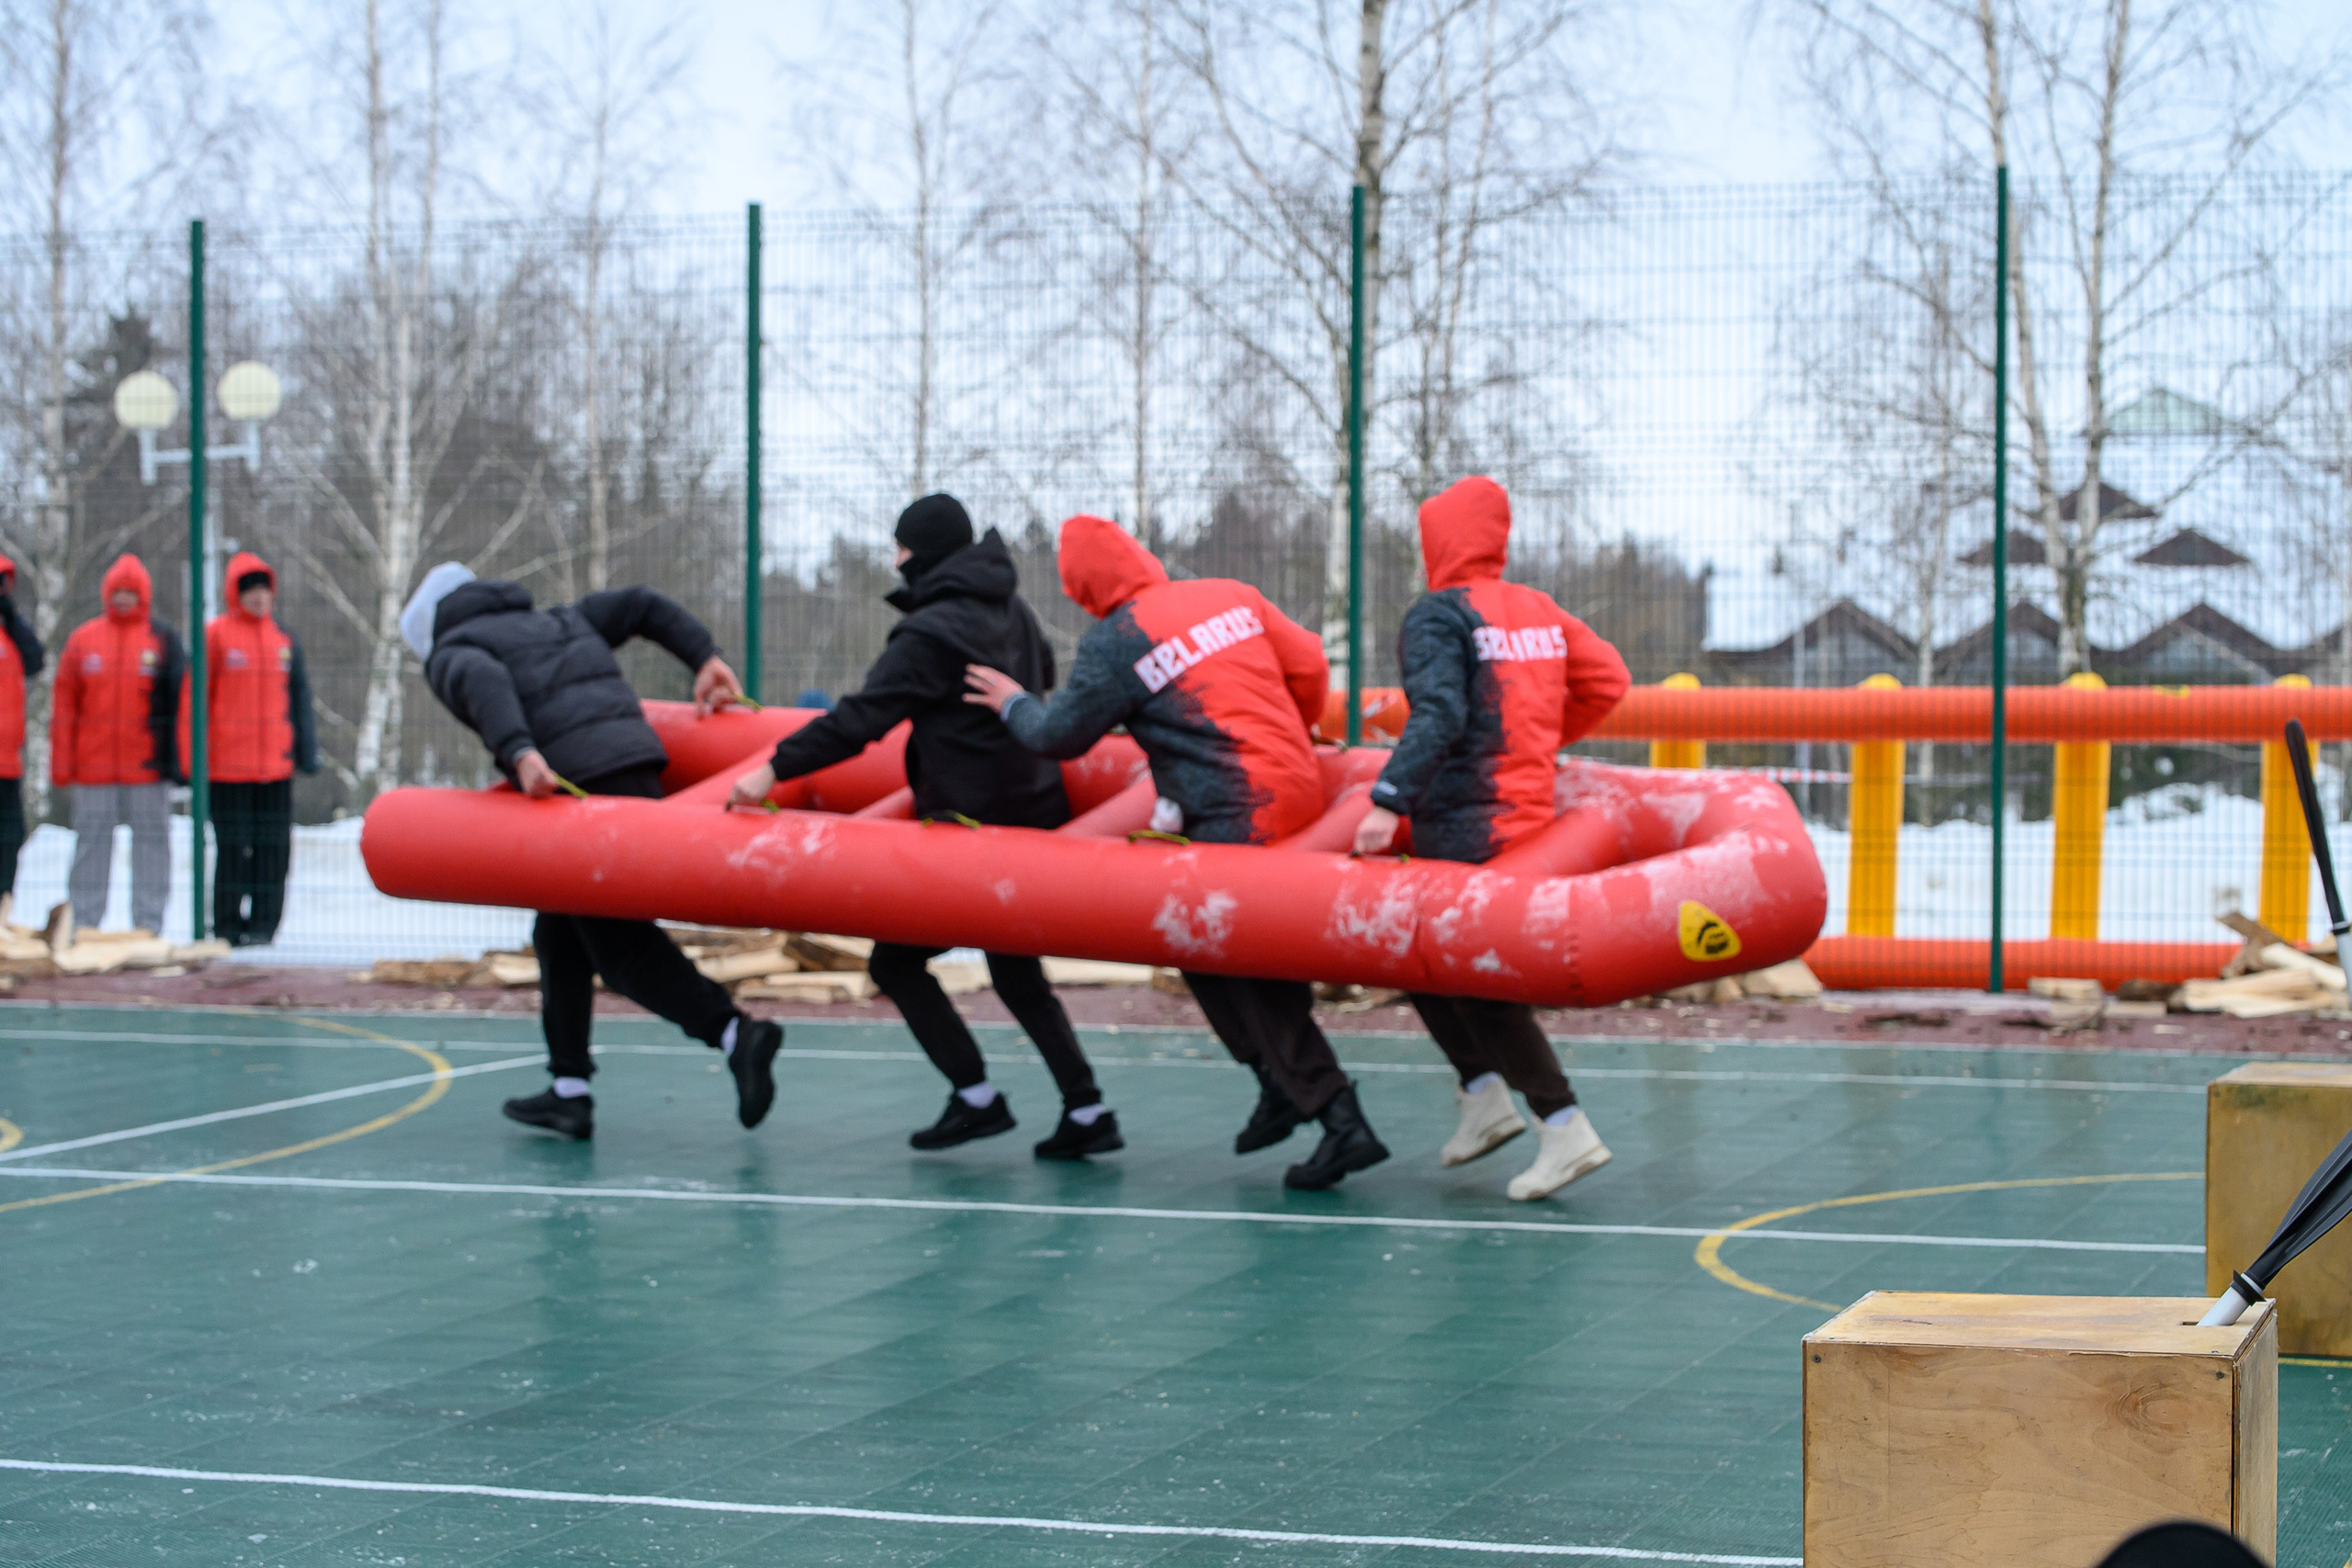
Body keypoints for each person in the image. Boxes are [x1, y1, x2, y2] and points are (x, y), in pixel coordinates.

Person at [964, 513, 1390, 1190]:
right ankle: (1278, 1085)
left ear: (1081, 587)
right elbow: (1309, 659)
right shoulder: (1229, 595)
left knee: (1252, 963)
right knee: (1196, 945)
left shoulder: (1117, 639)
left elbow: (1060, 735)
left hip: (1238, 813)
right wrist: (1299, 728)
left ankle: (1342, 1120)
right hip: (1295, 790)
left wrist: (1013, 702)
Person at [727, 494, 1118, 1160]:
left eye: (900, 547)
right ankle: (1086, 1107)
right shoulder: (1011, 608)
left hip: (971, 825)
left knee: (896, 960)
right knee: (1015, 968)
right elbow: (1043, 677)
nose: (894, 559)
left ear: (922, 552)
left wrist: (772, 770)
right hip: (1032, 809)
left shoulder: (931, 632)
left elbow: (862, 718)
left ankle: (977, 1098)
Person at [401, 562, 784, 1140]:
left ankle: (735, 1033)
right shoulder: (558, 620)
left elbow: (482, 681)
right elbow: (640, 600)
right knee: (558, 932)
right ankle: (569, 1090)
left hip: (575, 788)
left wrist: (520, 752)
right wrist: (703, 656)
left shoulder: (454, 650)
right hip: (634, 768)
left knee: (617, 944)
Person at [1352, 476, 1630, 1201]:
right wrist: (1536, 741)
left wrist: (1388, 798)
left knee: (1473, 974)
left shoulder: (1439, 614)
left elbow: (1439, 711)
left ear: (1438, 540)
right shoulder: (1539, 610)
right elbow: (1608, 679)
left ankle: (1563, 1123)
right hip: (1522, 814)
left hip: (1466, 819)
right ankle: (1483, 1097)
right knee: (1420, 957)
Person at [180, 551, 318, 946]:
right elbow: (194, 701)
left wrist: (306, 750)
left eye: (263, 589)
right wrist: (192, 761)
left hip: (275, 768)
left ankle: (264, 927)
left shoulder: (283, 640)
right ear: (234, 594)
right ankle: (225, 926)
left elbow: (300, 698)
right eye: (249, 590)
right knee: (232, 849)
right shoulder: (216, 636)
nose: (258, 597)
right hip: (227, 769)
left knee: (272, 850)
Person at [52, 553, 186, 933]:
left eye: (131, 593)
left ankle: (148, 924)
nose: (124, 599)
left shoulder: (161, 640)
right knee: (91, 846)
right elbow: (64, 707)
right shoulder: (83, 640)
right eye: (118, 592)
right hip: (93, 768)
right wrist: (63, 763)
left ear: (144, 596)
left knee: (152, 846)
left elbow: (181, 704)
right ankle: (85, 924)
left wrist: (180, 763)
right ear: (106, 594)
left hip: (147, 768)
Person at [0, 556, 45, 909]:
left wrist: (11, 617)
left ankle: (5, 905)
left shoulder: (12, 632)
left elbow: (36, 659)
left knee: (10, 838)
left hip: (7, 762)